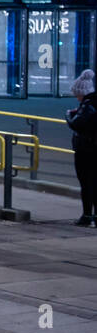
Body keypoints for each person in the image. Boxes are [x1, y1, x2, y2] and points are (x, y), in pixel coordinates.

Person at [65, 69, 97, 227]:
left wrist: (68, 115)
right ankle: (94, 216)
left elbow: (75, 124)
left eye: (76, 94)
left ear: (82, 92)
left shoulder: (87, 106)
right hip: (93, 148)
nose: (76, 97)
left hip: (87, 150)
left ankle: (87, 216)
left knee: (87, 183)